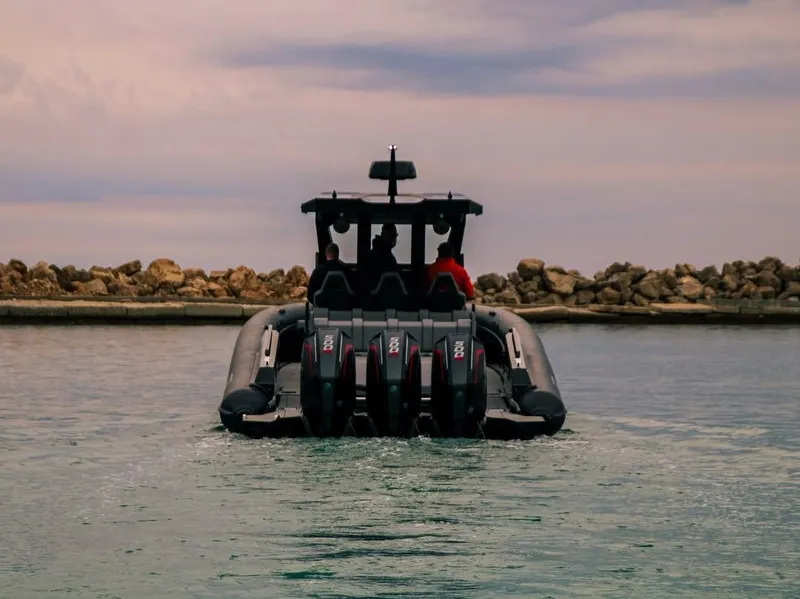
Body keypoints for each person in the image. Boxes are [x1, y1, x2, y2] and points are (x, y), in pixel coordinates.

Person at [366, 223, 400, 289]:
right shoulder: (385, 257)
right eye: (391, 235)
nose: (394, 239)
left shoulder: (381, 254)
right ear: (383, 235)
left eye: (395, 236)